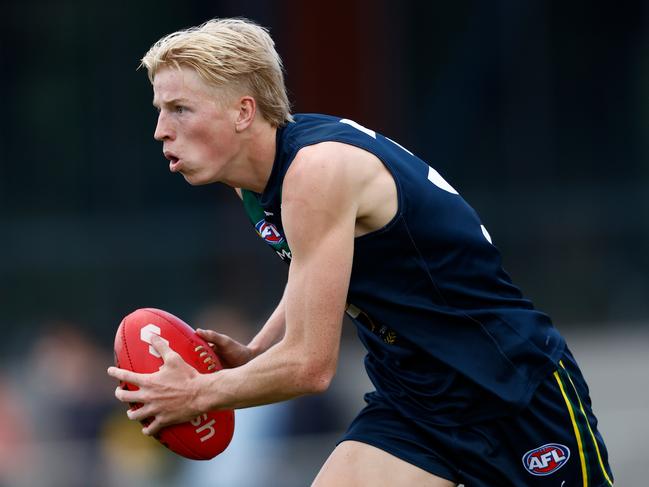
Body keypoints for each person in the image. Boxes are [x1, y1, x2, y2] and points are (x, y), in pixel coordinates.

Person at [107, 18, 614, 486]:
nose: (160, 130)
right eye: (160, 111)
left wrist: (196, 394)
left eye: (179, 109)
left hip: (510, 392)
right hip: (415, 403)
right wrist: (258, 350)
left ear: (244, 111)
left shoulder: (315, 173)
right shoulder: (253, 178)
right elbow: (309, 267)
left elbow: (310, 366)